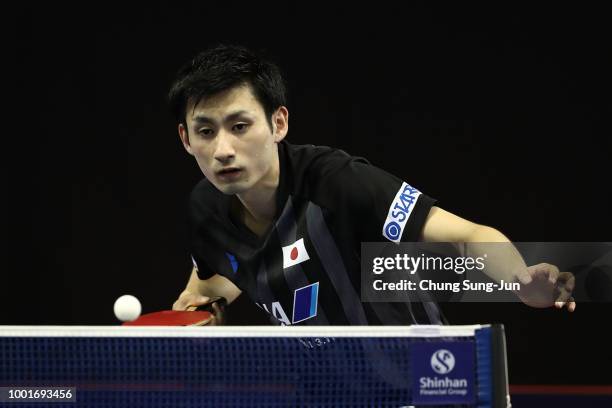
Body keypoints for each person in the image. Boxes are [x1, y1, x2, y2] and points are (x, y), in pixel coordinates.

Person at [169, 44, 575, 325]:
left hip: (419, 380)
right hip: (321, 390)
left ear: (278, 123)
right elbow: (214, 281)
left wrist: (519, 280)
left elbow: (467, 236)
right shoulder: (206, 209)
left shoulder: (336, 182)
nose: (223, 149)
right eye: (205, 131)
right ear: (186, 139)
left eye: (240, 126)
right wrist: (201, 308)